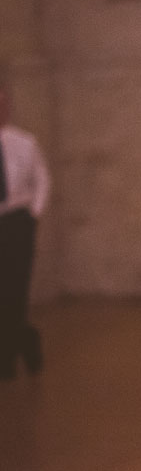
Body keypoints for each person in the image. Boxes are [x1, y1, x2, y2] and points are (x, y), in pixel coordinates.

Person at [0, 82, 49, 380]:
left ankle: (5, 361)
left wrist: (34, 214)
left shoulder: (25, 142)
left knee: (16, 288)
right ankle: (27, 338)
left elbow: (42, 178)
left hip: (18, 220)